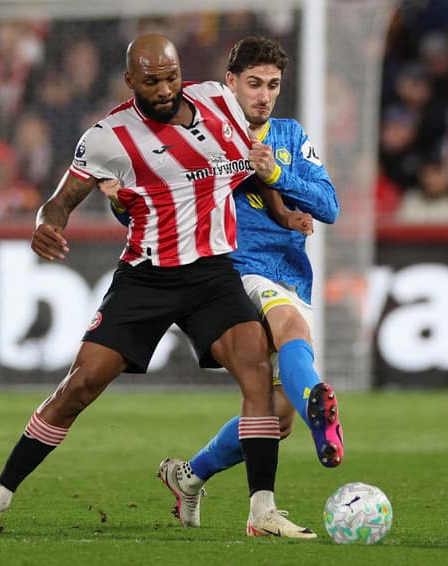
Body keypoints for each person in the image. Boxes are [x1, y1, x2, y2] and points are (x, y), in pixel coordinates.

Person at [0, 33, 315, 540]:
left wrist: (283, 213)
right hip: (147, 279)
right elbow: (59, 201)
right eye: (152, 81)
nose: (164, 89)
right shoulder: (108, 137)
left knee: (257, 373)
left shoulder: (219, 101)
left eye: (171, 77)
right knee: (79, 386)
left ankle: (262, 512)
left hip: (212, 275)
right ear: (130, 81)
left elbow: (251, 167)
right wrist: (46, 225)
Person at [150, 36, 342, 531]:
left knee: (277, 419)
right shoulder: (203, 136)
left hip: (291, 272)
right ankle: (319, 406)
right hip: (237, 269)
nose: (264, 95)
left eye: (273, 85)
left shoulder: (291, 135)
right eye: (254, 84)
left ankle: (189, 476)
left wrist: (278, 173)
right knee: (290, 326)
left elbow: (329, 206)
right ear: (230, 82)